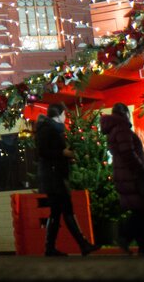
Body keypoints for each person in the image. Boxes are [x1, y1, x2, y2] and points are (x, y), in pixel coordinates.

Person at [34, 102, 98, 256]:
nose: (65, 118)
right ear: (60, 114)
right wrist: (63, 153)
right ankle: (83, 245)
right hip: (54, 177)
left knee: (56, 212)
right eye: (64, 115)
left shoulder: (49, 129)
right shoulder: (49, 130)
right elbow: (44, 152)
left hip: (53, 176)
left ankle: (50, 248)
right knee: (67, 210)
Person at [99, 103, 144, 255]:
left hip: (124, 175)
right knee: (142, 210)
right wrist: (142, 170)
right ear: (125, 113)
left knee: (139, 209)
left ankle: (143, 246)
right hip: (132, 176)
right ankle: (125, 236)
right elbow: (128, 153)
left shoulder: (114, 130)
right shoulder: (122, 129)